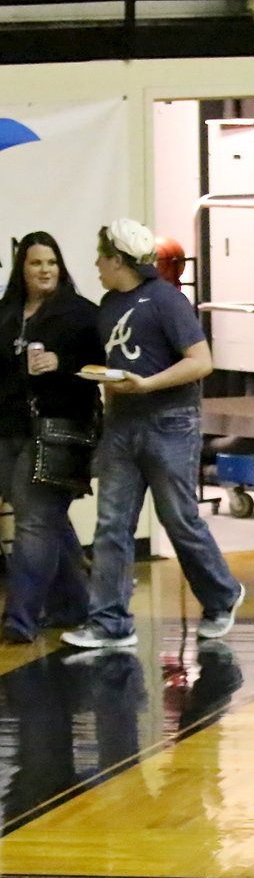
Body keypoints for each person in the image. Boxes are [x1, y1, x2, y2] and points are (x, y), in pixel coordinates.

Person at [61, 219, 245, 650]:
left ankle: (222, 595)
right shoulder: (108, 304)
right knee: (112, 524)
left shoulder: (166, 300)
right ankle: (110, 621)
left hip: (171, 423)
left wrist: (146, 384)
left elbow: (200, 362)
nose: (96, 264)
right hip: (122, 424)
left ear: (119, 260)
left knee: (179, 519)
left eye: (102, 257)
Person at [0, 232, 104, 643]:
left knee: (33, 521)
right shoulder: (7, 313)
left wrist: (65, 363)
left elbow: (104, 366)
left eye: (51, 263)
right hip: (10, 430)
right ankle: (75, 603)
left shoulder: (81, 314)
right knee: (45, 518)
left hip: (60, 431)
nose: (44, 270)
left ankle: (19, 618)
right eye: (35, 263)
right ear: (21, 269)